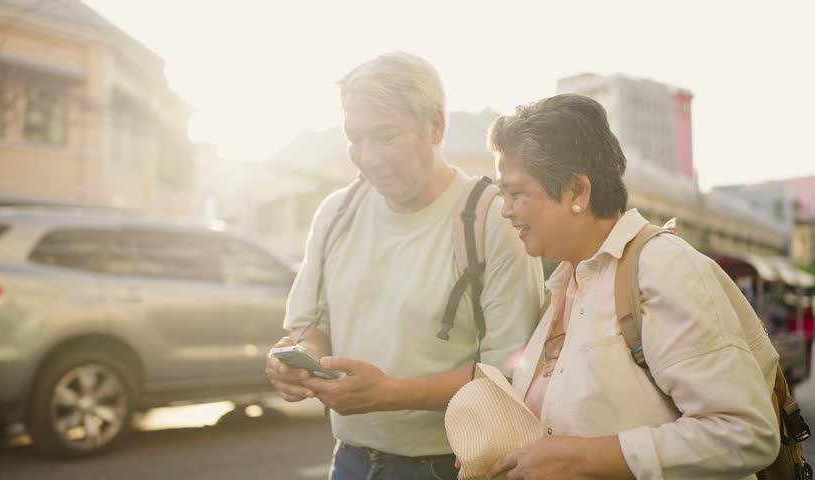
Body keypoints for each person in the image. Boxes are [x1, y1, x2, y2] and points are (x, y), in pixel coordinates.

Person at [265, 52, 545, 480]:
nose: (367, 157)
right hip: (350, 460)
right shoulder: (336, 213)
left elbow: (511, 372)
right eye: (354, 137)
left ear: (436, 125)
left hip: (451, 465)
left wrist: (391, 394)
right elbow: (309, 326)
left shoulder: (495, 219)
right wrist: (295, 361)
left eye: (385, 136)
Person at [484, 94, 779, 479]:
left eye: (518, 193)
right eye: (502, 193)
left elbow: (746, 433)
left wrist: (581, 458)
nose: (505, 209)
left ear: (578, 191)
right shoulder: (565, 285)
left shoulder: (662, 268)